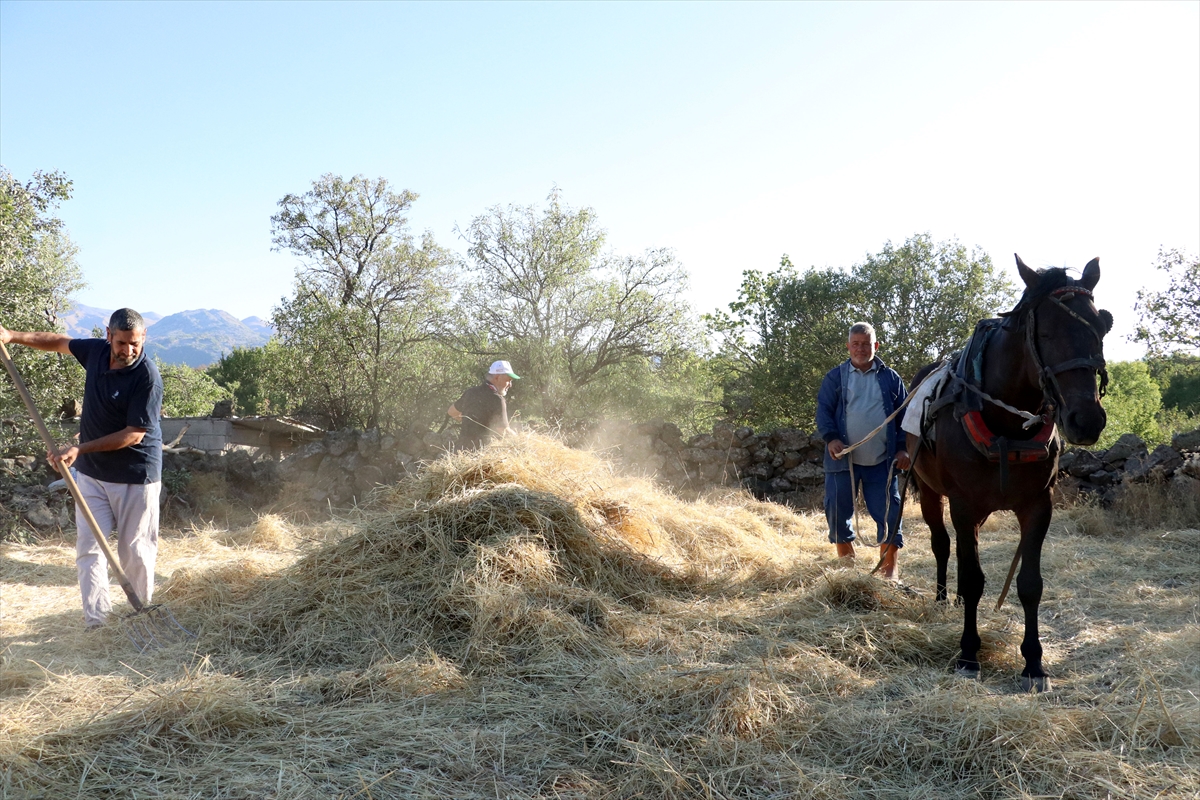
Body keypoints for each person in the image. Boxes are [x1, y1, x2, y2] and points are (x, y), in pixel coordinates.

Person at [1, 309, 164, 627]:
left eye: (135, 343)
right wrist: (13, 337)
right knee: (89, 549)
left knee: (135, 550)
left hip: (135, 475)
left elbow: (134, 434)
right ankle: (97, 624)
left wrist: (79, 448)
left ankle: (140, 616)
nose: (128, 350)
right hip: (91, 474)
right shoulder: (95, 352)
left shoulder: (147, 376)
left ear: (143, 339)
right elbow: (60, 341)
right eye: (122, 343)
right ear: (108, 335)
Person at [816, 322, 910, 579]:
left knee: (889, 514)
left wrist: (902, 449)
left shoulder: (890, 378)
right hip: (841, 461)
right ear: (848, 347)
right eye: (855, 344)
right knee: (837, 510)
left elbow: (904, 417)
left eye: (866, 344)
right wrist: (832, 438)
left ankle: (889, 571)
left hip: (883, 461)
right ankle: (848, 571)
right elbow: (823, 411)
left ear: (875, 346)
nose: (860, 349)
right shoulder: (834, 378)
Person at [447, 360, 519, 449]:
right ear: (497, 377)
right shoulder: (497, 399)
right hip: (481, 454)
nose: (510, 385)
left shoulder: (470, 392)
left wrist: (469, 421)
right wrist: (520, 440)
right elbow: (503, 431)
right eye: (508, 380)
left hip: (461, 452)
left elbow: (451, 412)